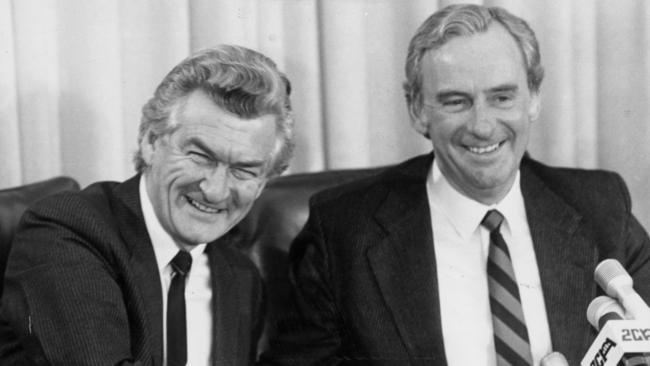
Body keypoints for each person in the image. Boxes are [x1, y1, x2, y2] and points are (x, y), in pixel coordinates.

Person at [260, 4, 650, 366]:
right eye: (455, 102)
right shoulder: (343, 231)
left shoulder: (601, 207)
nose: (482, 125)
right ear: (417, 109)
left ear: (533, 97)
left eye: (501, 97)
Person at [0, 44, 294, 365]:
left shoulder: (240, 276)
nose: (215, 191)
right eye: (200, 156)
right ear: (150, 142)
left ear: (264, 181)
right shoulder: (67, 229)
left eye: (244, 170)